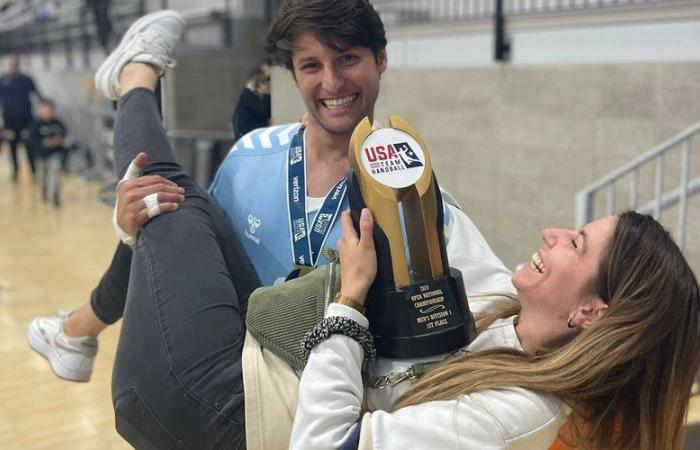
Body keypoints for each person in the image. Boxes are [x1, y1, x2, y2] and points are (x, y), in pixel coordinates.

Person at [30, 4, 514, 447]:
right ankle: (77, 330)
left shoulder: (415, 201)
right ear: (293, 75)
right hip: (227, 365)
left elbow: (500, 307)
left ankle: (137, 79)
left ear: (380, 60)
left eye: (347, 59)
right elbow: (190, 260)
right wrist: (128, 226)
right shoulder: (250, 156)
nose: (332, 82)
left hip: (299, 415)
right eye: (311, 66)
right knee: (167, 204)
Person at [291, 208, 700, 450]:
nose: (550, 235)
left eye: (576, 243)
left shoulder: (511, 416)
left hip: (260, 406)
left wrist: (351, 298)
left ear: (591, 313)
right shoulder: (505, 310)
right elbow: (445, 212)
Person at [0, 53, 42, 182]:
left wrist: (44, 108)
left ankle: (34, 171)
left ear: (18, 64)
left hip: (26, 118)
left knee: (29, 145)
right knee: (12, 146)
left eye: (15, 63)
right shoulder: (3, 80)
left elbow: (37, 95)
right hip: (10, 119)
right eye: (11, 63)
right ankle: (15, 172)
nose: (13, 66)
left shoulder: (26, 79)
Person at [25, 99, 67, 207]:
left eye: (50, 110)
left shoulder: (57, 123)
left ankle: (55, 196)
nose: (48, 112)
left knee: (55, 174)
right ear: (40, 110)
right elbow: (30, 140)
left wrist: (59, 140)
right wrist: (45, 143)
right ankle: (44, 192)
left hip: (55, 154)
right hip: (41, 155)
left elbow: (64, 133)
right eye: (45, 110)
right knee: (43, 176)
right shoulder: (35, 124)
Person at [230, 67, 271, 141]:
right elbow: (262, 112)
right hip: (249, 136)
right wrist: (266, 94)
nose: (266, 84)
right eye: (263, 81)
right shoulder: (248, 94)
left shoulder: (249, 94)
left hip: (251, 135)